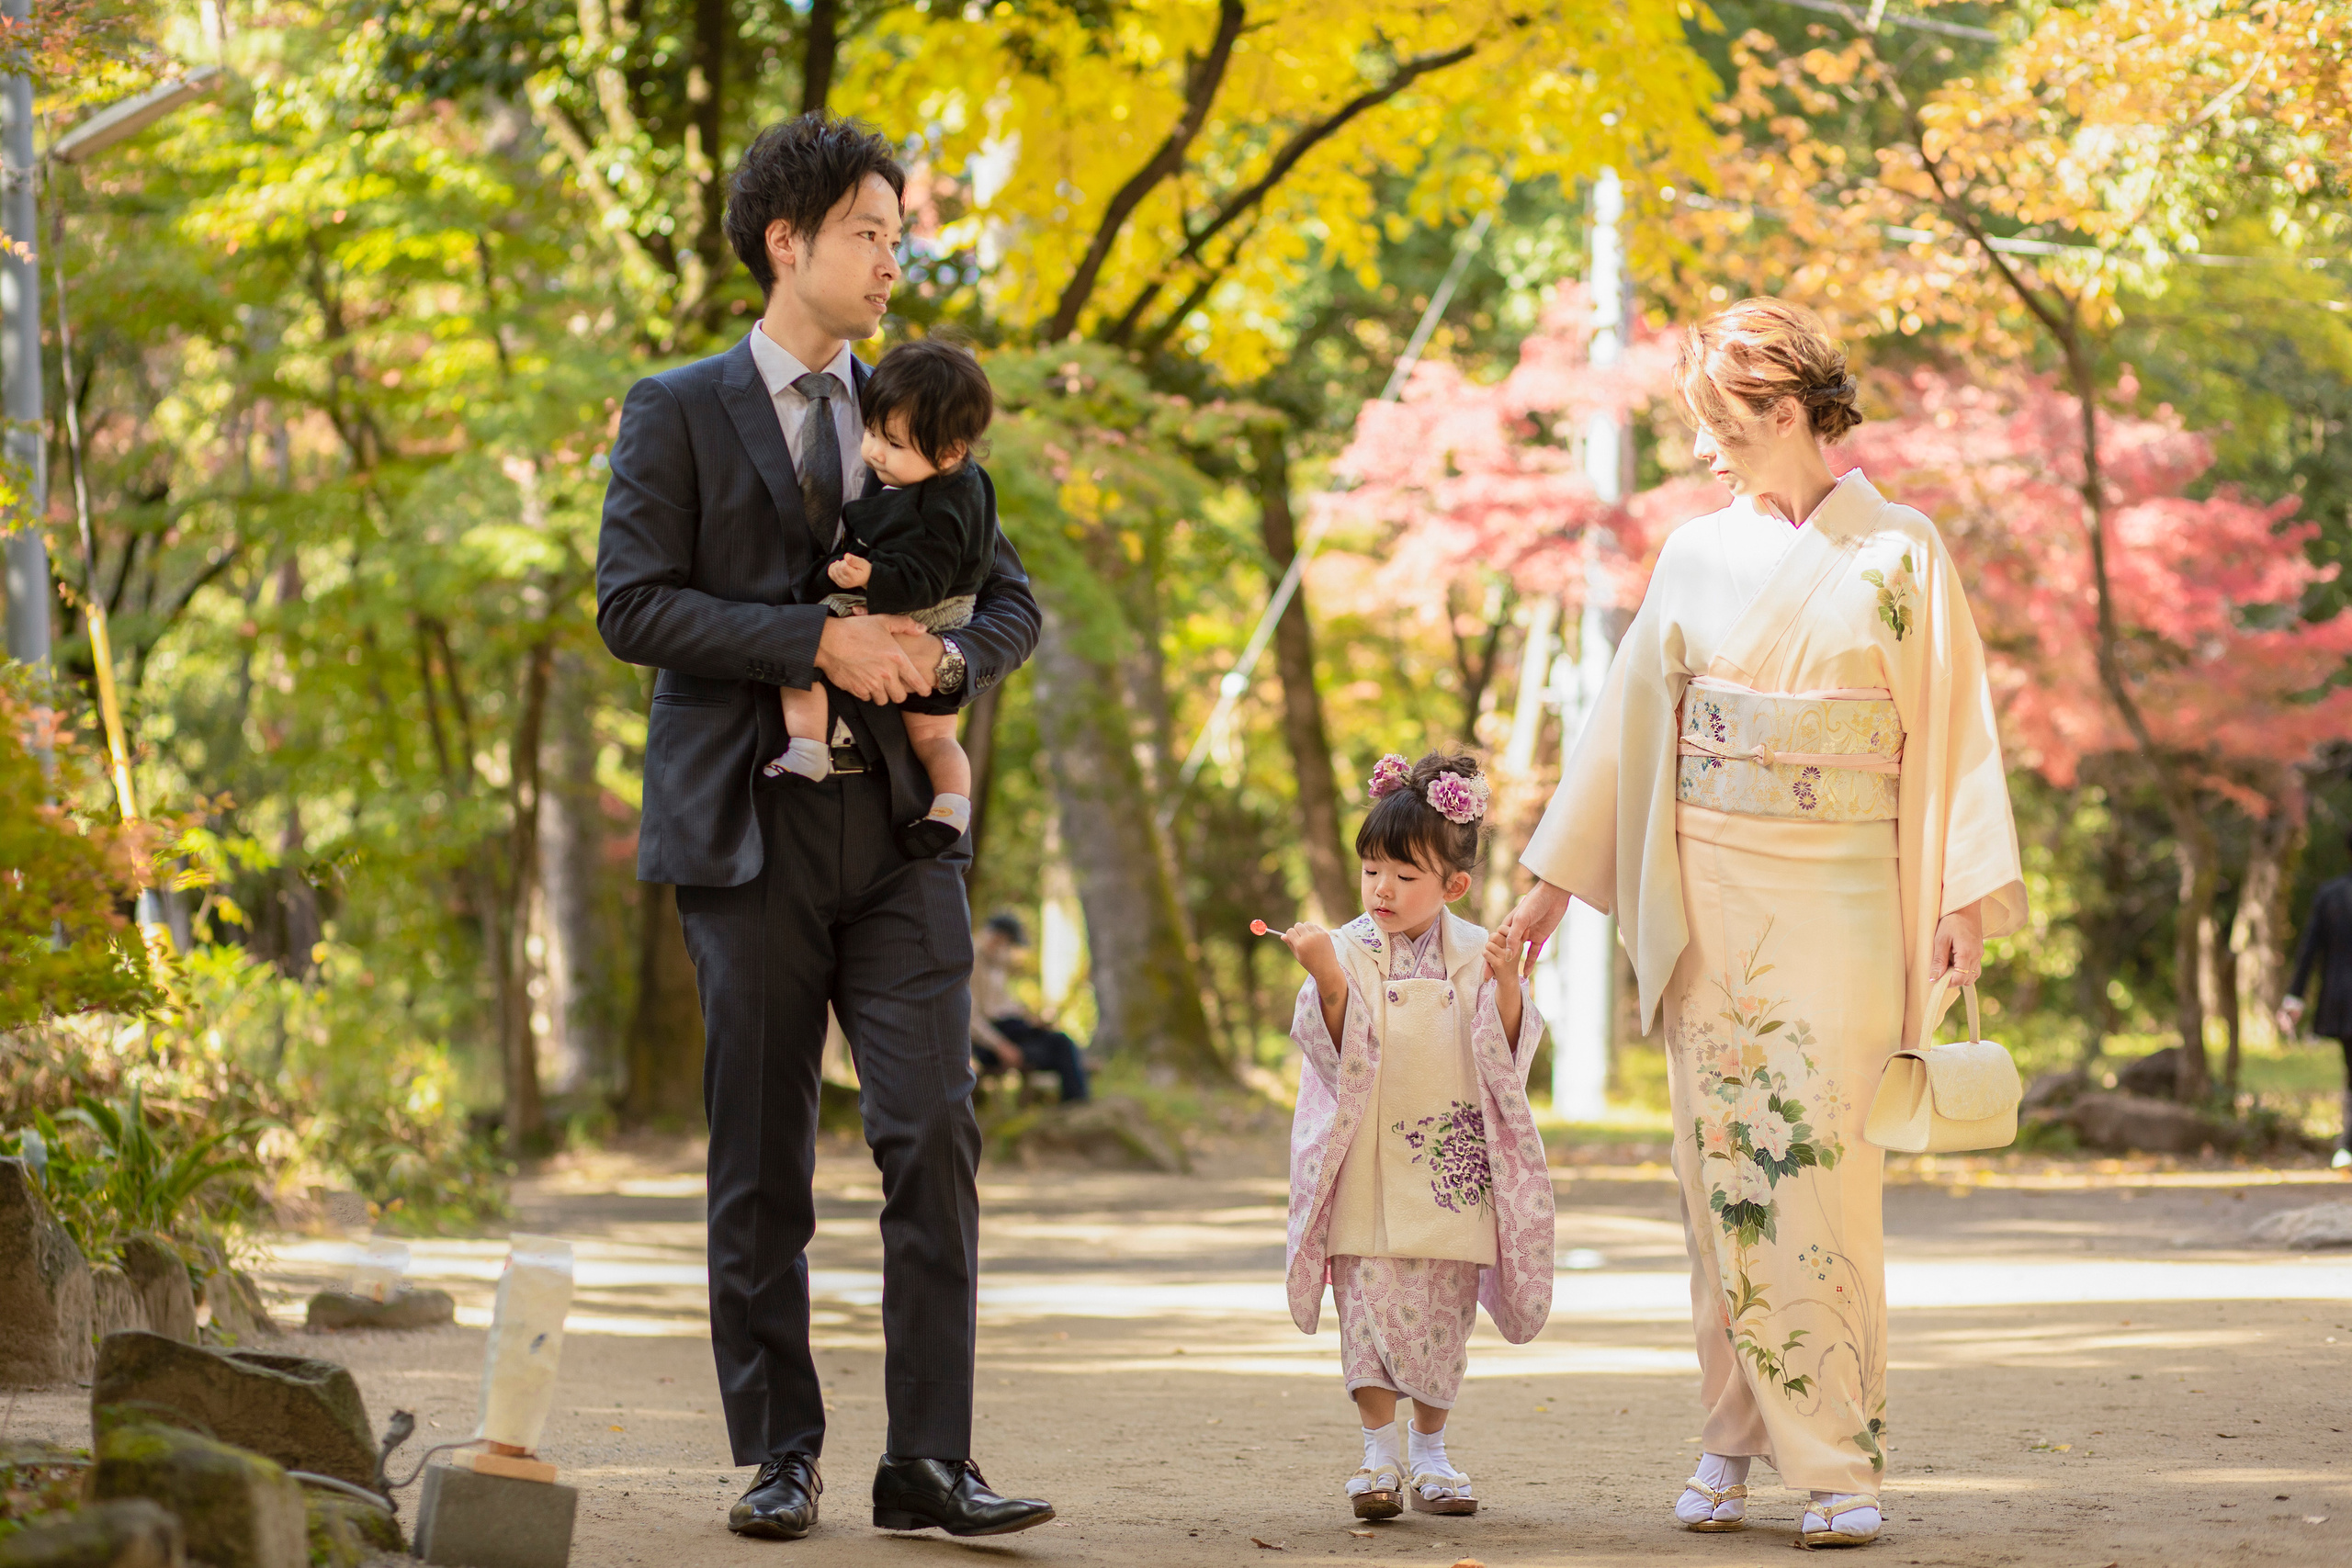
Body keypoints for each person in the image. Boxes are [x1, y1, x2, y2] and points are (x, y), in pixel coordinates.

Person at [595, 111, 1053, 1541]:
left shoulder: (918, 402)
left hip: (906, 836)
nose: (892, 258)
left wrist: (948, 662)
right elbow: (632, 603)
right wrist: (814, 641)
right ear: (786, 241)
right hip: (746, 830)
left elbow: (1009, 594)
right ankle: (777, 1446)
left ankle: (930, 1459)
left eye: (898, 233)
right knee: (761, 1153)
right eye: (869, 230)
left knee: (932, 1127)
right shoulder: (673, 405)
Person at [1502, 299, 2025, 1549]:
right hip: (1715, 901)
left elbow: (1955, 735)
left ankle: (1835, 1458)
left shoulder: (1902, 553)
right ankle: (1728, 1438)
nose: (1704, 452)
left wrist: (1962, 896)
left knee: (1816, 1177)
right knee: (1715, 1178)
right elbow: (1627, 738)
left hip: (1844, 902)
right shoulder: (1692, 554)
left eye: (1719, 424)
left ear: (1786, 412)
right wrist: (1549, 888)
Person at [1276, 750, 1554, 1523]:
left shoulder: (1474, 953)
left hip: (1444, 1162)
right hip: (1364, 1155)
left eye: (1403, 875)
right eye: (1371, 872)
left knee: (1440, 1307)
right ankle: (1376, 1454)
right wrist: (1328, 977)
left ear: (1453, 885)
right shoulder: (1345, 946)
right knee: (1363, 1305)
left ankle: (1430, 1451)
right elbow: (1330, 1047)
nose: (1382, 890)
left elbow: (1505, 1058)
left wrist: (1505, 984)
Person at [769, 337, 1001, 860]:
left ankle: (806, 745)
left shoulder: (944, 507)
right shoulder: (957, 481)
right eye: (872, 432)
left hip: (922, 608)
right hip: (941, 615)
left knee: (806, 636)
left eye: (892, 445)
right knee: (937, 736)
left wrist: (869, 576)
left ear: (948, 452)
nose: (874, 451)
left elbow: (931, 574)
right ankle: (950, 807)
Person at [2278, 839, 2352, 1170]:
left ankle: (2347, 1144)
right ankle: (2347, 1143)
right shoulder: (2329, 895)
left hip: (2339, 999)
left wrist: (2295, 996)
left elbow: (2309, 950)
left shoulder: (2331, 895)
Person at [968, 913, 1091, 1103]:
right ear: (999, 938)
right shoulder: (971, 962)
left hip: (1012, 1030)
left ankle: (1076, 1101)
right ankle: (1075, 1103)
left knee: (1061, 1042)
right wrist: (1000, 1046)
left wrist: (1032, 1019)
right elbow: (971, 1019)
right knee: (1060, 1051)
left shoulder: (997, 964)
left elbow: (1004, 1003)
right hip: (992, 1041)